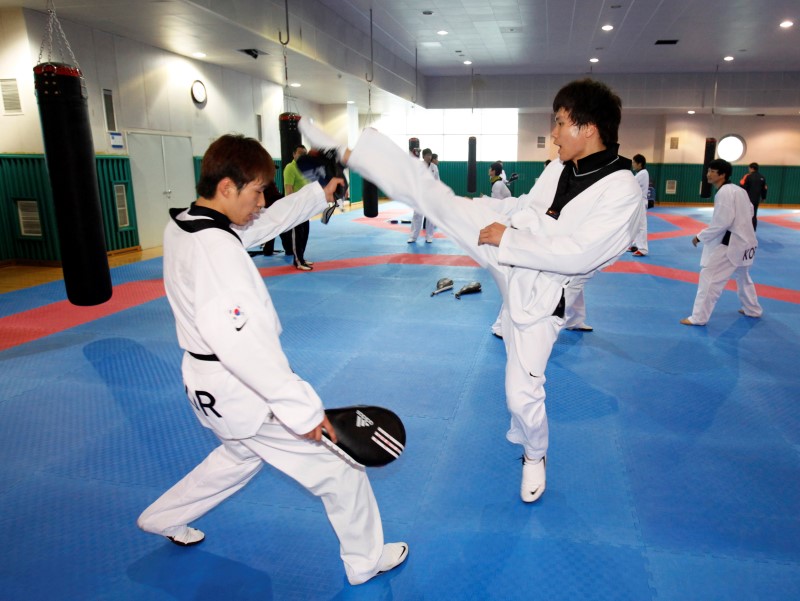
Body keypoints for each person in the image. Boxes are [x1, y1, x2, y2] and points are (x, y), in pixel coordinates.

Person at [300, 78, 642, 504]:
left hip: (540, 293)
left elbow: (579, 255)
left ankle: (535, 454)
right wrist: (485, 209)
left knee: (521, 393)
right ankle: (347, 154)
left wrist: (507, 237)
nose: (552, 134)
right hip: (508, 249)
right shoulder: (559, 168)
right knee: (436, 199)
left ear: (588, 128)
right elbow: (526, 209)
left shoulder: (622, 189)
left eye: (559, 123)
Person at [136, 134, 407, 586]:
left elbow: (260, 225)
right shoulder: (217, 253)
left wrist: (316, 195)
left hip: (208, 386)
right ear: (226, 187)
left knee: (238, 459)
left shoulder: (190, 222)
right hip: (242, 388)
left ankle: (161, 517)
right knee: (341, 469)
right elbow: (245, 348)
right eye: (257, 191)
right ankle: (365, 560)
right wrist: (301, 409)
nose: (263, 200)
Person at [681, 158, 762, 326]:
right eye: (708, 170)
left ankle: (698, 318)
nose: (708, 174)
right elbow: (751, 210)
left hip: (732, 243)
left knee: (709, 277)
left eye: (712, 171)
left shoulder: (724, 192)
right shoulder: (739, 190)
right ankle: (752, 309)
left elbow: (722, 222)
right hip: (748, 240)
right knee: (743, 276)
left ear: (722, 175)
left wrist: (700, 236)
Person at [283, 144, 315, 270]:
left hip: (306, 207)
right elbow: (288, 189)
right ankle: (298, 261)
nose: (302, 155)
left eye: (304, 153)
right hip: (296, 207)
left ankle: (301, 257)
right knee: (297, 234)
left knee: (305, 233)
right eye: (300, 153)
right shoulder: (290, 168)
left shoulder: (305, 168)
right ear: (294, 154)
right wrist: (293, 206)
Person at [407, 147, 438, 243]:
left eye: (430, 155)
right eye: (427, 155)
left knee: (430, 217)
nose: (429, 157)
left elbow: (437, 181)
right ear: (423, 156)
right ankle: (413, 237)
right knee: (417, 216)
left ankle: (429, 236)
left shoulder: (434, 167)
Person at [629, 154, 649, 256]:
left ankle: (643, 249)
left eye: (634, 162)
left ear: (639, 164)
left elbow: (630, 184)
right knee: (635, 225)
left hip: (641, 203)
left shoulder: (643, 173)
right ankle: (635, 245)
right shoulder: (640, 173)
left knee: (641, 226)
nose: (632, 164)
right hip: (637, 203)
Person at [740, 162, 767, 230]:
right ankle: (753, 228)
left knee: (745, 214)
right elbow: (764, 189)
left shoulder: (748, 176)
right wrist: (763, 197)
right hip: (756, 199)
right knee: (754, 214)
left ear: (751, 168)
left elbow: (742, 186)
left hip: (747, 199)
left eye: (749, 168)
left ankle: (744, 228)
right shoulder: (762, 177)